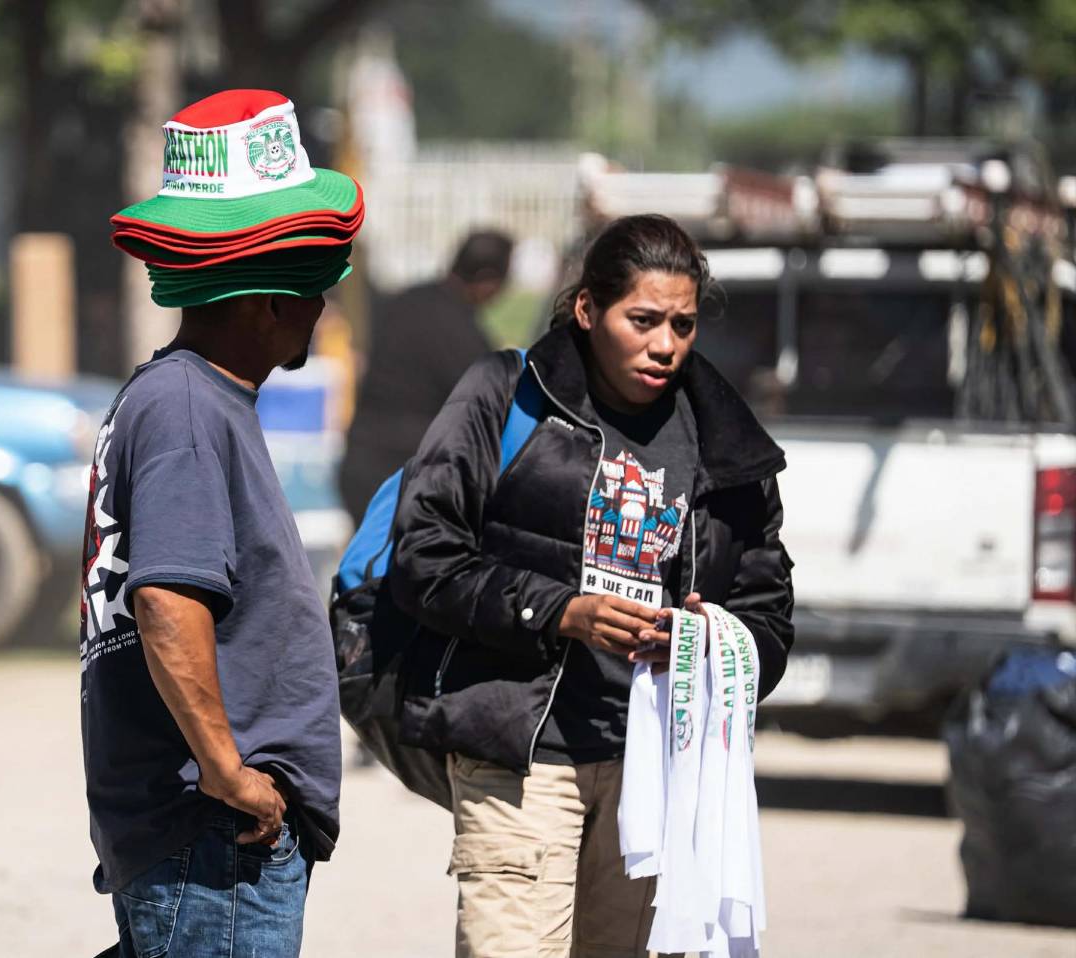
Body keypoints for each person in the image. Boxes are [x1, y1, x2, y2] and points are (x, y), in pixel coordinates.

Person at [387, 214, 794, 957]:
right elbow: (423, 555)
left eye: (682, 324)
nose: (665, 345)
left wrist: (711, 646)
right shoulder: (506, 396)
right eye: (642, 320)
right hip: (521, 759)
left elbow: (767, 611)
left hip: (654, 774)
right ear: (586, 310)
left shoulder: (726, 443)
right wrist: (560, 610)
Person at [81, 89, 362, 958]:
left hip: (205, 839)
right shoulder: (189, 409)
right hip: (214, 842)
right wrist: (228, 771)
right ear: (267, 301)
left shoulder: (182, 398)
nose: (325, 309)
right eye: (315, 290)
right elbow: (167, 601)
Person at [338, 229, 513, 525]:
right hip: (404, 479)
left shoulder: (405, 301)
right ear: (487, 280)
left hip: (358, 467)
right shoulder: (464, 336)